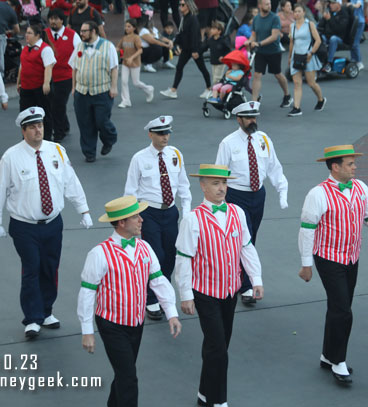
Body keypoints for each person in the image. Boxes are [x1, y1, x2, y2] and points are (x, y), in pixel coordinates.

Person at [0, 107, 92, 338]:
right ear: (23, 130)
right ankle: (32, 318)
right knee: (32, 269)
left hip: (53, 223)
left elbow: (71, 182)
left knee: (50, 267)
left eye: (41, 126)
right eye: (33, 127)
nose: (38, 130)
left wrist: (83, 209)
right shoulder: (11, 157)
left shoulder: (56, 150)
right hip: (24, 226)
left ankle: (47, 311)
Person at [298, 145, 368, 384]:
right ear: (335, 166)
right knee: (343, 310)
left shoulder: (360, 188)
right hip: (328, 258)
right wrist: (306, 264)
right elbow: (307, 231)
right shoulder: (317, 194)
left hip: (352, 257)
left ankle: (327, 355)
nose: (355, 167)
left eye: (354, 163)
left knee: (338, 307)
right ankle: (339, 361)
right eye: (350, 164)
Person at [77, 195, 182, 406]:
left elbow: (159, 281)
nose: (142, 220)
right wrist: (87, 331)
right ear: (122, 222)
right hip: (111, 324)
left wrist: (171, 312)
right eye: (136, 217)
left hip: (136, 322)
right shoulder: (99, 254)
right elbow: (87, 292)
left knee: (124, 373)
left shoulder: (145, 248)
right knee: (128, 377)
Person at [175, 164, 263, 407]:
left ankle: (204, 393)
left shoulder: (238, 212)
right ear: (203, 186)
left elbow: (246, 247)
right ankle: (218, 400)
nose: (222, 187)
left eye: (224, 183)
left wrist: (255, 279)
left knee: (219, 344)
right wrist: (185, 295)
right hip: (205, 292)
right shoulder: (192, 219)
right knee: (218, 348)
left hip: (230, 290)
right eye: (215, 183)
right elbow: (183, 259)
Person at [215, 101, 288, 304]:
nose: (252, 121)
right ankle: (246, 286)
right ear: (239, 119)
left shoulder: (263, 139)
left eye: (254, 117)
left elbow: (274, 167)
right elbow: (219, 173)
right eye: (248, 118)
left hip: (258, 195)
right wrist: (217, 202)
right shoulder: (228, 143)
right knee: (243, 238)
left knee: (251, 237)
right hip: (237, 196)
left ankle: (241, 277)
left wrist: (282, 190)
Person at [124, 115, 191, 320]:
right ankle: (151, 298)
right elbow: (131, 190)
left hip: (170, 212)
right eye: (161, 133)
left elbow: (183, 185)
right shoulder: (139, 158)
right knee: (155, 256)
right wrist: (132, 218)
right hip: (148, 212)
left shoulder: (175, 155)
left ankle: (163, 291)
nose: (165, 137)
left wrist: (186, 212)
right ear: (150, 134)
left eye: (168, 132)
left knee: (170, 254)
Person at [69, 21, 119, 163]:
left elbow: (114, 68)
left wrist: (114, 87)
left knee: (102, 121)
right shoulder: (79, 46)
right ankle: (89, 152)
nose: (82, 34)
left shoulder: (107, 46)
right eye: (81, 31)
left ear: (94, 31)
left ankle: (109, 139)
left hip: (102, 91)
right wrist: (74, 87)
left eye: (84, 31)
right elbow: (74, 68)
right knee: (85, 123)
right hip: (82, 91)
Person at [160, 0, 212, 99]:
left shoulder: (193, 19)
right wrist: (174, 43)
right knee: (179, 67)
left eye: (183, 4)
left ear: (188, 6)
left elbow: (194, 36)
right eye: (180, 4)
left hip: (193, 48)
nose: (180, 6)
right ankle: (173, 90)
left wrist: (195, 51)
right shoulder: (184, 18)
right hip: (186, 49)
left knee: (202, 68)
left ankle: (209, 89)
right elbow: (180, 33)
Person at [248, 0, 293, 108]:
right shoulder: (256, 19)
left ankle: (287, 95)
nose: (269, 6)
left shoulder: (274, 18)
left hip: (273, 51)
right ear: (259, 5)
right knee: (257, 75)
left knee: (277, 74)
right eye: (266, 4)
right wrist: (250, 42)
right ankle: (254, 102)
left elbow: (274, 36)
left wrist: (259, 43)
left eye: (270, 4)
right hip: (260, 52)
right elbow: (254, 35)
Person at [45, 9, 80, 142]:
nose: (53, 21)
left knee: (58, 104)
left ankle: (58, 132)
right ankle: (64, 125)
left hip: (65, 76)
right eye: (51, 18)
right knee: (52, 103)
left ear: (62, 20)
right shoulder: (45, 34)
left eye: (56, 18)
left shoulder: (72, 35)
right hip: (48, 76)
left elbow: (79, 53)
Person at [17, 24, 56, 142]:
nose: (26, 35)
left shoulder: (45, 49)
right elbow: (22, 66)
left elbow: (49, 66)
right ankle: (26, 139)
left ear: (37, 35)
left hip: (39, 87)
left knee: (45, 114)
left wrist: (46, 83)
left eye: (29, 33)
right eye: (26, 33)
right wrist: (19, 82)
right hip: (27, 88)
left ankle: (47, 138)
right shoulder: (25, 48)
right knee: (26, 114)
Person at [287, 3, 326, 117]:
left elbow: (318, 40)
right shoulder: (292, 26)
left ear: (304, 12)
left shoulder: (310, 25)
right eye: (295, 12)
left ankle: (320, 99)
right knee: (297, 83)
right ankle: (296, 108)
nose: (297, 14)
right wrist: (289, 57)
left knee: (311, 83)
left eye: (299, 11)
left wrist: (311, 53)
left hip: (308, 56)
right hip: (296, 56)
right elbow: (291, 42)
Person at [117, 18, 155, 108]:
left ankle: (149, 89)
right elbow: (118, 48)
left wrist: (131, 58)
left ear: (134, 28)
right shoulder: (124, 38)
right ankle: (126, 101)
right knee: (124, 81)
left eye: (129, 26)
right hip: (125, 63)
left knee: (136, 82)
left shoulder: (136, 38)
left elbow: (140, 50)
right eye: (125, 26)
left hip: (135, 63)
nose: (126, 28)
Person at [318, 0, 351, 74]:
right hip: (327, 36)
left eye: (333, 3)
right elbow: (320, 26)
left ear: (339, 4)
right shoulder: (329, 13)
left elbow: (338, 30)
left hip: (340, 38)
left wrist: (330, 19)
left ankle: (328, 63)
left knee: (333, 39)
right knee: (320, 37)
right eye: (330, 3)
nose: (330, 5)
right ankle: (320, 60)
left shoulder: (344, 15)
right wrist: (323, 19)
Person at [202, 20, 232, 86]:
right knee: (215, 77)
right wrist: (197, 51)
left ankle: (216, 92)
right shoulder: (210, 40)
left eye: (214, 29)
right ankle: (218, 91)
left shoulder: (223, 40)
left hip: (221, 62)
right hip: (213, 61)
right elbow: (204, 47)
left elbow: (228, 50)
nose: (211, 30)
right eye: (211, 28)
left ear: (219, 31)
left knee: (217, 78)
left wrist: (223, 56)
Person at [349, 0, 366, 71]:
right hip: (353, 22)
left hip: (359, 22)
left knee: (355, 43)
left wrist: (350, 4)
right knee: (351, 42)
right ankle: (353, 60)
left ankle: (359, 62)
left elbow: (358, 5)